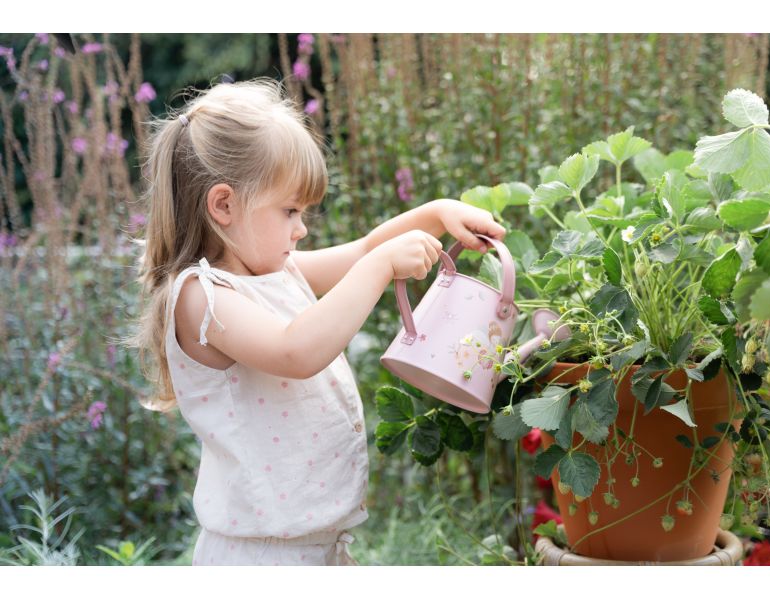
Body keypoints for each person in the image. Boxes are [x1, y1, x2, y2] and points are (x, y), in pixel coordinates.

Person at [127, 79, 505, 566]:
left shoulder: (275, 272)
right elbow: (295, 351)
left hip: (312, 549)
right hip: (259, 560)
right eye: (289, 211)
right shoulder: (201, 298)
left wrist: (437, 213)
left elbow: (365, 249)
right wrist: (381, 267)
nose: (301, 228)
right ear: (223, 205)